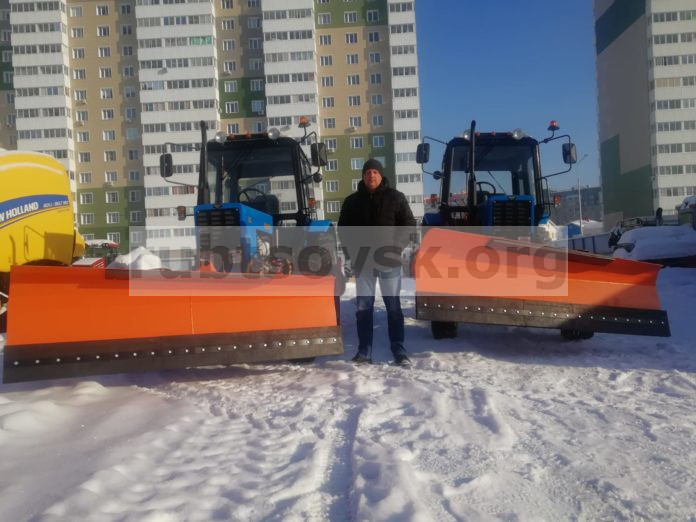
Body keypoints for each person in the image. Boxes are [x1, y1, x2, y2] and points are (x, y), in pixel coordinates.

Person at [338, 159, 417, 367]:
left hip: (389, 260)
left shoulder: (396, 197)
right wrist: (352, 253)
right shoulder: (352, 201)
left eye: (374, 172)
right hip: (363, 261)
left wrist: (396, 247)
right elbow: (343, 230)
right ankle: (364, 351)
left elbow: (409, 224)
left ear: (381, 175)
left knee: (393, 307)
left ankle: (399, 349)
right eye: (367, 172)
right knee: (363, 307)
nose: (371, 175)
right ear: (363, 176)